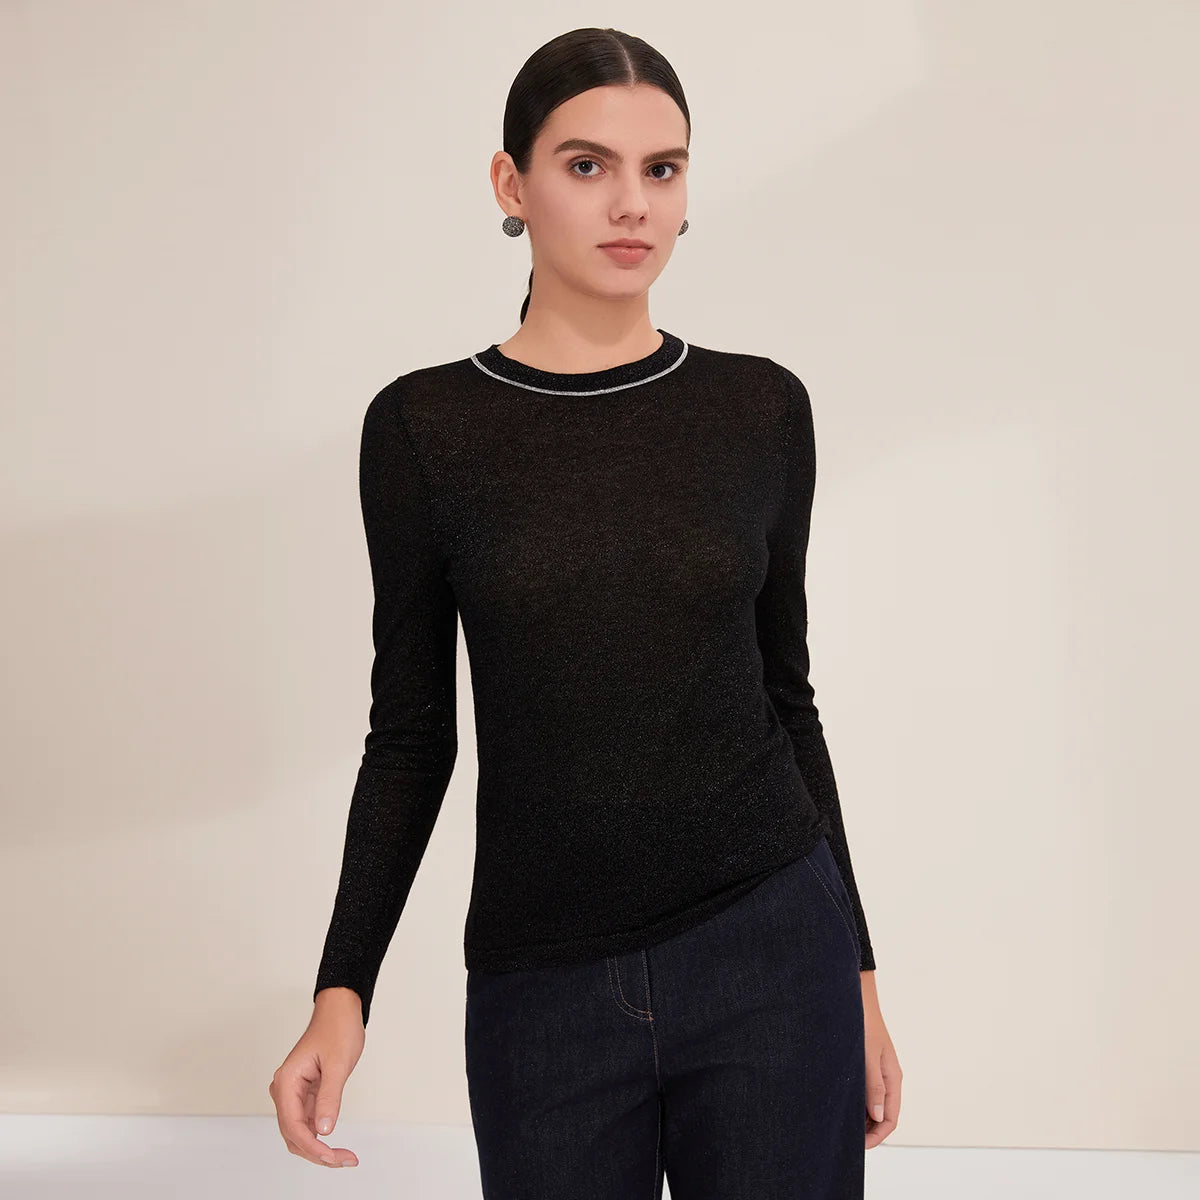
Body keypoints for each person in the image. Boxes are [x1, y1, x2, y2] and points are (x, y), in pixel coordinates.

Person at [270, 24, 902, 1197]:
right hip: (543, 989)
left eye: (662, 168)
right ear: (511, 184)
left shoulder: (761, 409)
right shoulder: (425, 430)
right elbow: (411, 735)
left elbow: (787, 699)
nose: (631, 203)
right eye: (586, 165)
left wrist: (857, 975)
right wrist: (341, 989)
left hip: (773, 954)